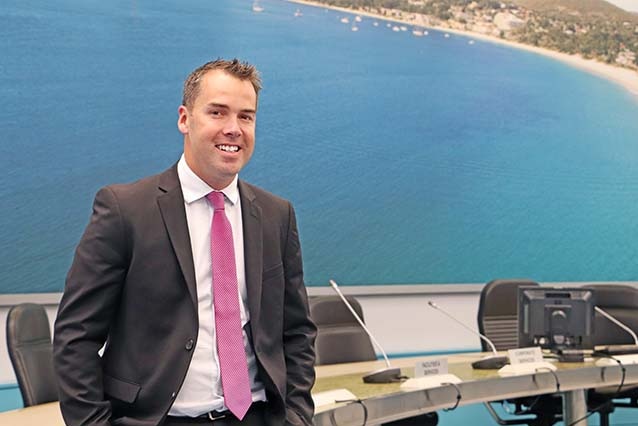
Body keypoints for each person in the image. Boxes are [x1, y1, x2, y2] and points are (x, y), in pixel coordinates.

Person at [53, 58, 317, 426]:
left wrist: (297, 417)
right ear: (184, 119)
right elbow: (75, 336)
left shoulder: (277, 216)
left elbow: (297, 332)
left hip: (257, 417)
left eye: (246, 116)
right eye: (217, 112)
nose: (233, 129)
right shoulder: (124, 209)